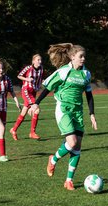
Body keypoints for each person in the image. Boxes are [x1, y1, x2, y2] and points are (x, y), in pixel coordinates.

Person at [29, 43, 97, 191]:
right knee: (71, 142)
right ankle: (53, 160)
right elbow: (48, 87)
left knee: (77, 146)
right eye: (80, 56)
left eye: (84, 56)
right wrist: (36, 103)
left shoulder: (86, 74)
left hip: (78, 112)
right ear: (72, 57)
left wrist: (92, 114)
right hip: (63, 109)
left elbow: (89, 95)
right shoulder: (63, 72)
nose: (83, 59)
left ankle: (69, 181)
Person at [9, 54, 45, 140]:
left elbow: (41, 79)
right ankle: (32, 132)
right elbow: (19, 76)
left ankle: (13, 130)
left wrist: (40, 85)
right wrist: (27, 79)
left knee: (24, 111)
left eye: (40, 60)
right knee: (36, 109)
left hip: (33, 92)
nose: (40, 61)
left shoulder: (42, 69)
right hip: (26, 91)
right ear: (33, 61)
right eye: (38, 60)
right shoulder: (28, 68)